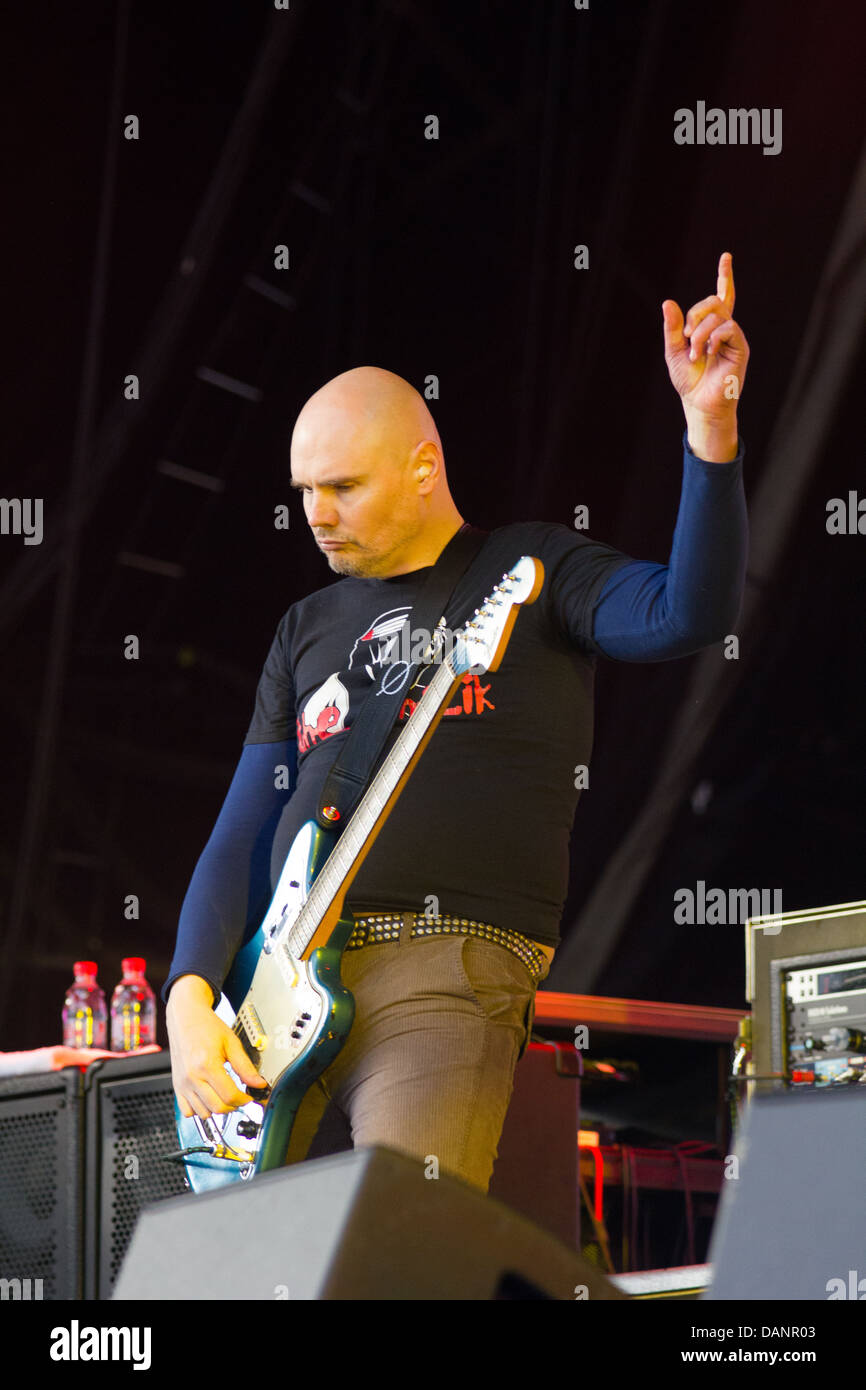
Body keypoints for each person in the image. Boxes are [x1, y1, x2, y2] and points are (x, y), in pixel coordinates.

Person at [164, 251, 749, 1192]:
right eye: (303, 492)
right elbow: (241, 833)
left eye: (342, 487)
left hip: (446, 972)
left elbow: (690, 611)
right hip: (274, 999)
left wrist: (708, 431)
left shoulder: (532, 570)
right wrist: (189, 993)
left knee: (395, 1255)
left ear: (424, 466)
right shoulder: (305, 627)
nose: (316, 516)